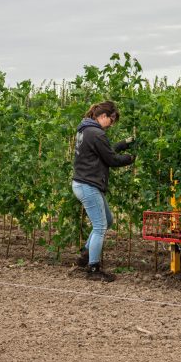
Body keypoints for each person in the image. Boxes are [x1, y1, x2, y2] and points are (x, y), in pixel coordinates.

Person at [72, 101, 135, 282]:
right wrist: (130, 158)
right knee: (100, 227)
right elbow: (111, 160)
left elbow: (102, 152)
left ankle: (85, 253)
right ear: (103, 116)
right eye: (112, 119)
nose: (112, 123)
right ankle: (93, 268)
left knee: (107, 220)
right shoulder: (96, 133)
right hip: (88, 185)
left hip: (84, 183)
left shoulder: (86, 130)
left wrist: (122, 144)